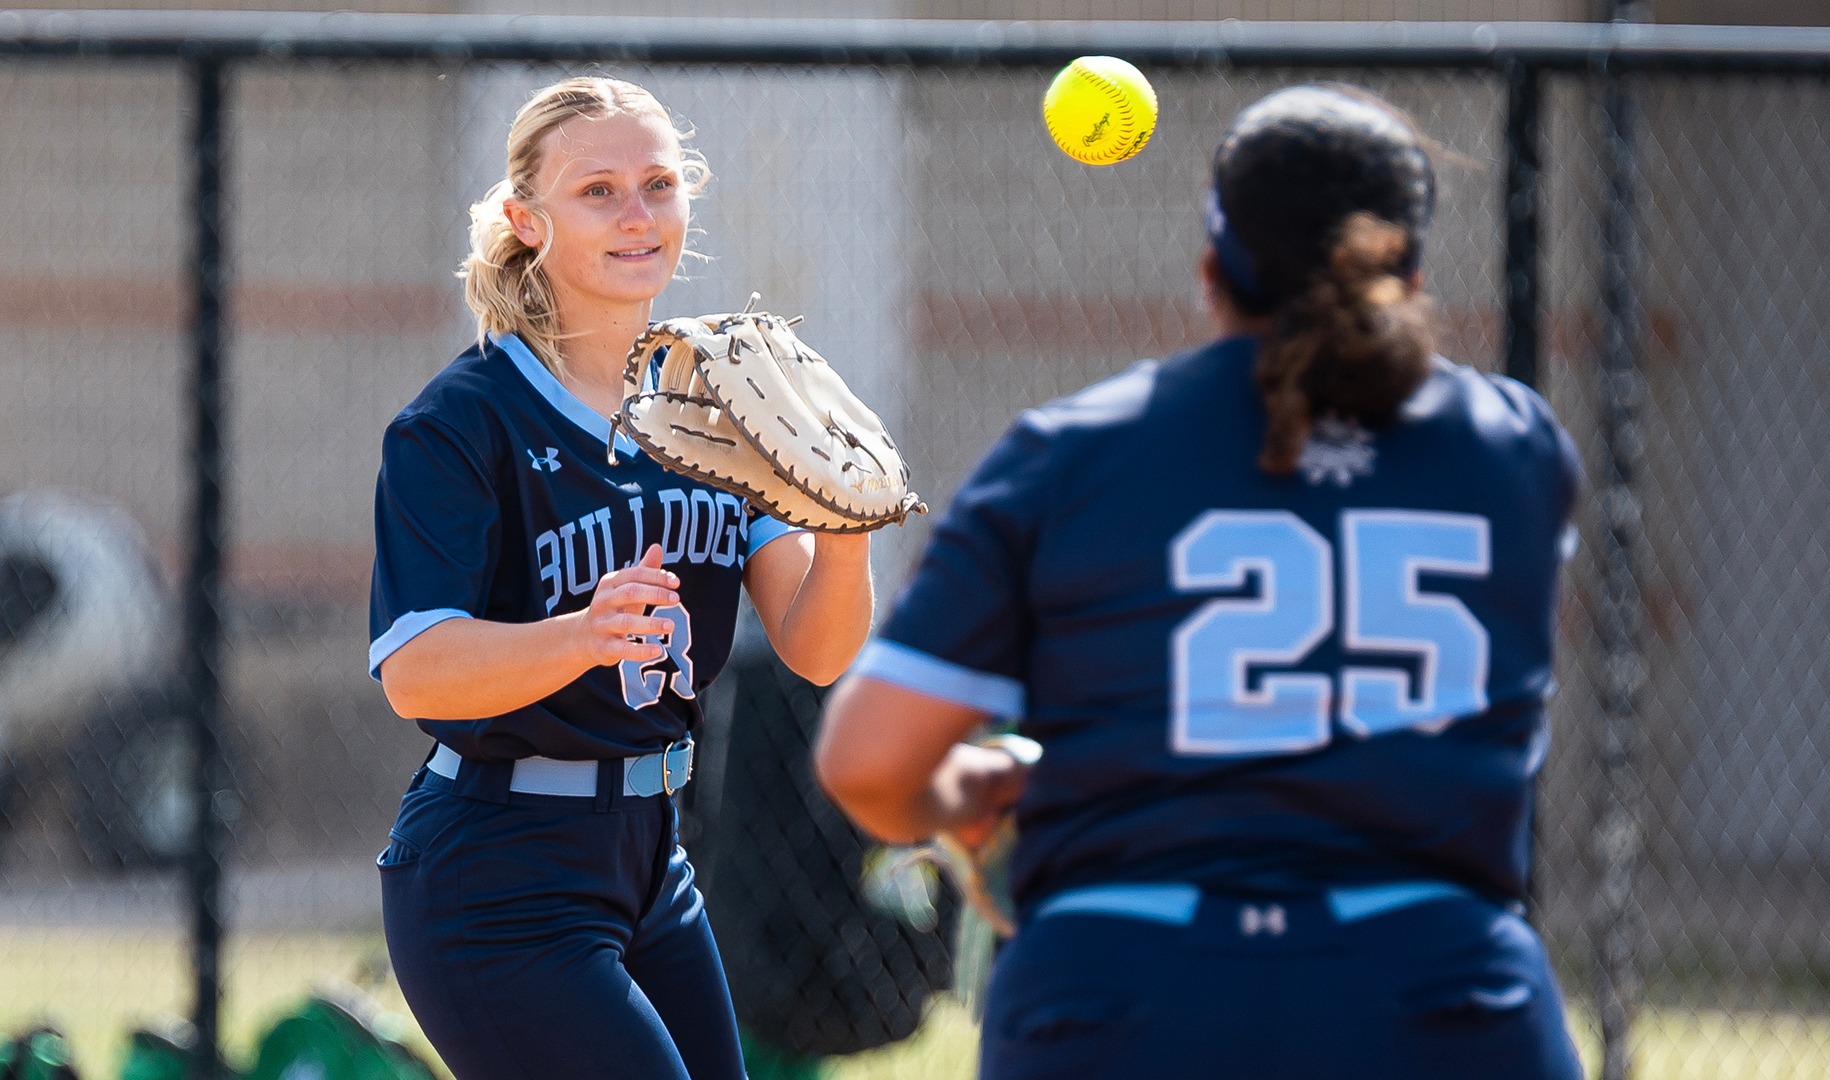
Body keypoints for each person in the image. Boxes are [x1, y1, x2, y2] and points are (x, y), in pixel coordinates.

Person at [815, 83, 1585, 1080]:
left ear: (1211, 268)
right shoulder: (1515, 452)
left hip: (1126, 991)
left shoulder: (1073, 453)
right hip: (1434, 994)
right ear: (1412, 265)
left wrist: (990, 782)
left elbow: (870, 765)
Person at [368, 77, 873, 1080]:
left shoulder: (717, 411)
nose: (638, 215)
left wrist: (847, 530)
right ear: (526, 220)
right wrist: (581, 636)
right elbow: (416, 674)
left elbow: (818, 651)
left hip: (651, 855)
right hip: (495, 870)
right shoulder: (462, 423)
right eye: (597, 190)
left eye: (657, 184)